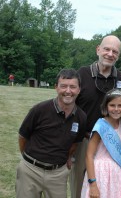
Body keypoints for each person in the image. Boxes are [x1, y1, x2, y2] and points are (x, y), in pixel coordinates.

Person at [70, 35, 121, 198]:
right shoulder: (82, 74)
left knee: (107, 188)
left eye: (115, 51)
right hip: (84, 140)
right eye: (107, 49)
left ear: (119, 55)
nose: (110, 54)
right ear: (98, 50)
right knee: (79, 188)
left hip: (109, 144)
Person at [16, 69, 87, 198]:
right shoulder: (40, 110)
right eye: (63, 86)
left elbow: (76, 143)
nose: (68, 91)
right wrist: (28, 159)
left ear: (79, 89)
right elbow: (23, 137)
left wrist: (68, 157)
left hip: (58, 174)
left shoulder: (81, 117)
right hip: (30, 171)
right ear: (56, 87)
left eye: (72, 87)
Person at [81, 89, 121, 198]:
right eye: (112, 105)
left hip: (116, 173)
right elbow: (89, 155)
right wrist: (93, 184)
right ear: (106, 106)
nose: (116, 109)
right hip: (99, 173)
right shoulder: (101, 126)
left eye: (120, 105)